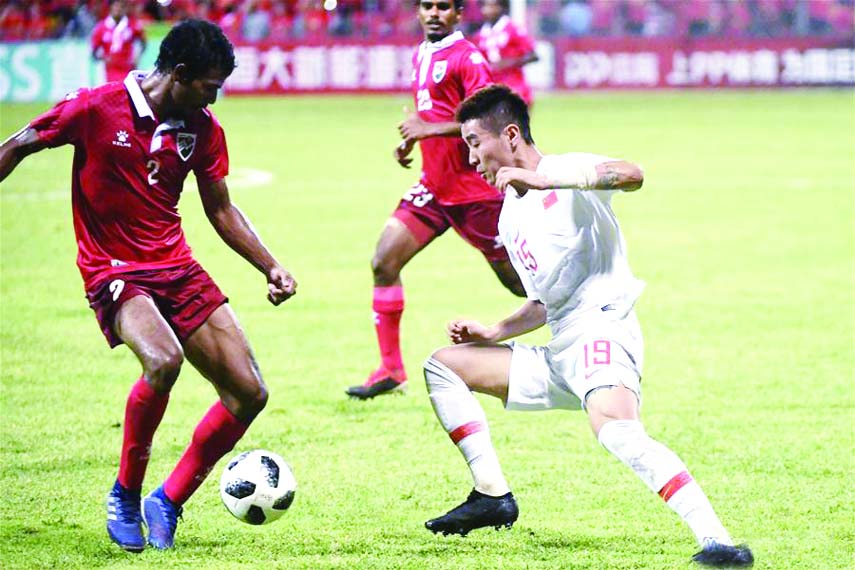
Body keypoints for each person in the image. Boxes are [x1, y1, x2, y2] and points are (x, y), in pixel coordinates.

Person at [420, 85, 754, 568]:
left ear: (510, 135)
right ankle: (492, 496)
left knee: (618, 433)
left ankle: (719, 543)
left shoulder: (565, 172)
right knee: (444, 366)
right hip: (561, 349)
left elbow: (632, 174)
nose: (471, 157)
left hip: (604, 331)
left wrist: (550, 178)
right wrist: (493, 332)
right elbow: (544, 302)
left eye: (474, 142)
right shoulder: (510, 217)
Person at [0, 20, 296, 552]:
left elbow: (221, 209)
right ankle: (126, 494)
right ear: (179, 75)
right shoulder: (96, 108)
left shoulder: (202, 129)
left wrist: (270, 266)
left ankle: (169, 499)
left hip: (175, 266)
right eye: (210, 86)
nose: (215, 98)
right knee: (162, 361)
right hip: (113, 268)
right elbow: (19, 143)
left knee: (249, 392)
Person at [346, 0, 525, 400]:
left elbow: (487, 123)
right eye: (426, 6)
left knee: (520, 285)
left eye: (443, 7)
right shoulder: (422, 53)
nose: (433, 13)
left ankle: (575, 324)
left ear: (459, 14)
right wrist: (412, 140)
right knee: (383, 261)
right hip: (435, 187)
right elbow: (433, 113)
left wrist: (427, 130)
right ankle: (390, 369)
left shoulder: (468, 58)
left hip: (474, 194)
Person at [476, 0, 538, 106]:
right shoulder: (481, 34)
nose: (488, 10)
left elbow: (533, 55)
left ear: (502, 8)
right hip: (492, 88)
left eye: (492, 6)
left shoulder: (513, 29)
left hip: (515, 87)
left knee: (515, 122)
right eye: (485, 6)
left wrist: (509, 63)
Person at [91, 0, 146, 83]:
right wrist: (104, 58)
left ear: (125, 9)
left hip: (128, 69)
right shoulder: (101, 27)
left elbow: (143, 42)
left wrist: (137, 57)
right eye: (116, 6)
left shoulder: (132, 25)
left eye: (121, 7)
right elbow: (94, 52)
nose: (118, 9)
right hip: (110, 71)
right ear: (110, 8)